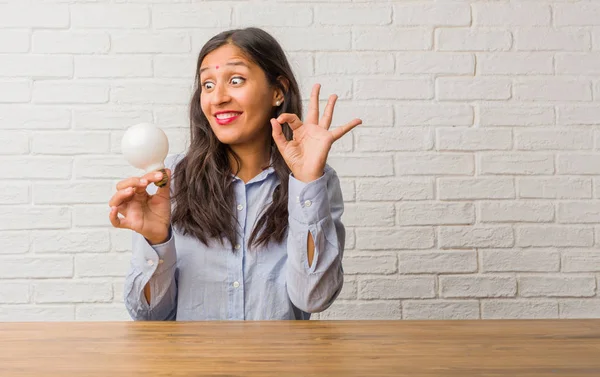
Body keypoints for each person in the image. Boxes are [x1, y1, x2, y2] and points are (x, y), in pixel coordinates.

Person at [108, 27, 361, 321]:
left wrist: (306, 183)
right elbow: (148, 315)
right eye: (208, 85)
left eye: (236, 80)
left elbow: (314, 297)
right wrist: (156, 239)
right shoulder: (169, 181)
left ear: (277, 92)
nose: (218, 98)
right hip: (193, 365)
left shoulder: (316, 182)